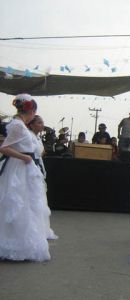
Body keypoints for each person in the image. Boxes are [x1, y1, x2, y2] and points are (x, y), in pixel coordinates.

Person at [0, 94, 50, 261]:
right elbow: (4, 148)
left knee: (28, 205)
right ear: (32, 110)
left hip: (25, 168)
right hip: (19, 168)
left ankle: (25, 244)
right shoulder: (18, 126)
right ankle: (16, 244)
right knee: (19, 204)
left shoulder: (20, 125)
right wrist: (24, 157)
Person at [28, 115, 58, 240]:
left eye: (42, 122)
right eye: (39, 122)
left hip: (38, 167)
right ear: (32, 124)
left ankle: (40, 227)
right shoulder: (29, 136)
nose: (41, 125)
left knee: (39, 197)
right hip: (31, 167)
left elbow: (42, 151)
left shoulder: (38, 137)